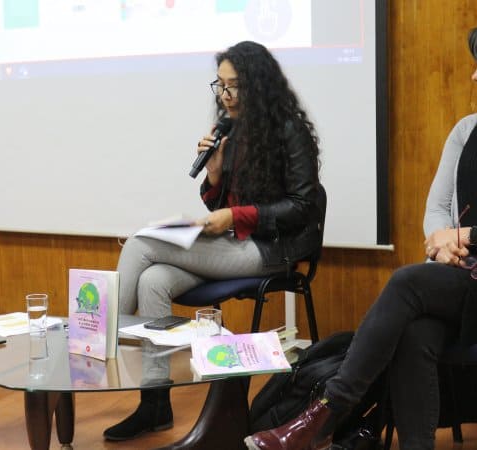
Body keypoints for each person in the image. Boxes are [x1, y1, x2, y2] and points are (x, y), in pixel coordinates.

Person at [244, 12, 477, 450]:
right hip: (473, 275)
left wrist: (472, 237)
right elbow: (436, 210)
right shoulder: (468, 130)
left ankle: (327, 412)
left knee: (408, 281)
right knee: (415, 330)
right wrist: (443, 241)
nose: (475, 75)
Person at [104, 41, 326, 442]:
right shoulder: (234, 131)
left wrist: (235, 215)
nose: (225, 96)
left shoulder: (289, 130)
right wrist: (216, 178)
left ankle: (103, 346)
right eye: (220, 85)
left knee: (138, 244)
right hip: (236, 243)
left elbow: (303, 206)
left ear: (258, 87)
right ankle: (155, 403)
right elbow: (223, 204)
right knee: (153, 281)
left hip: (273, 251)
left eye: (234, 86)